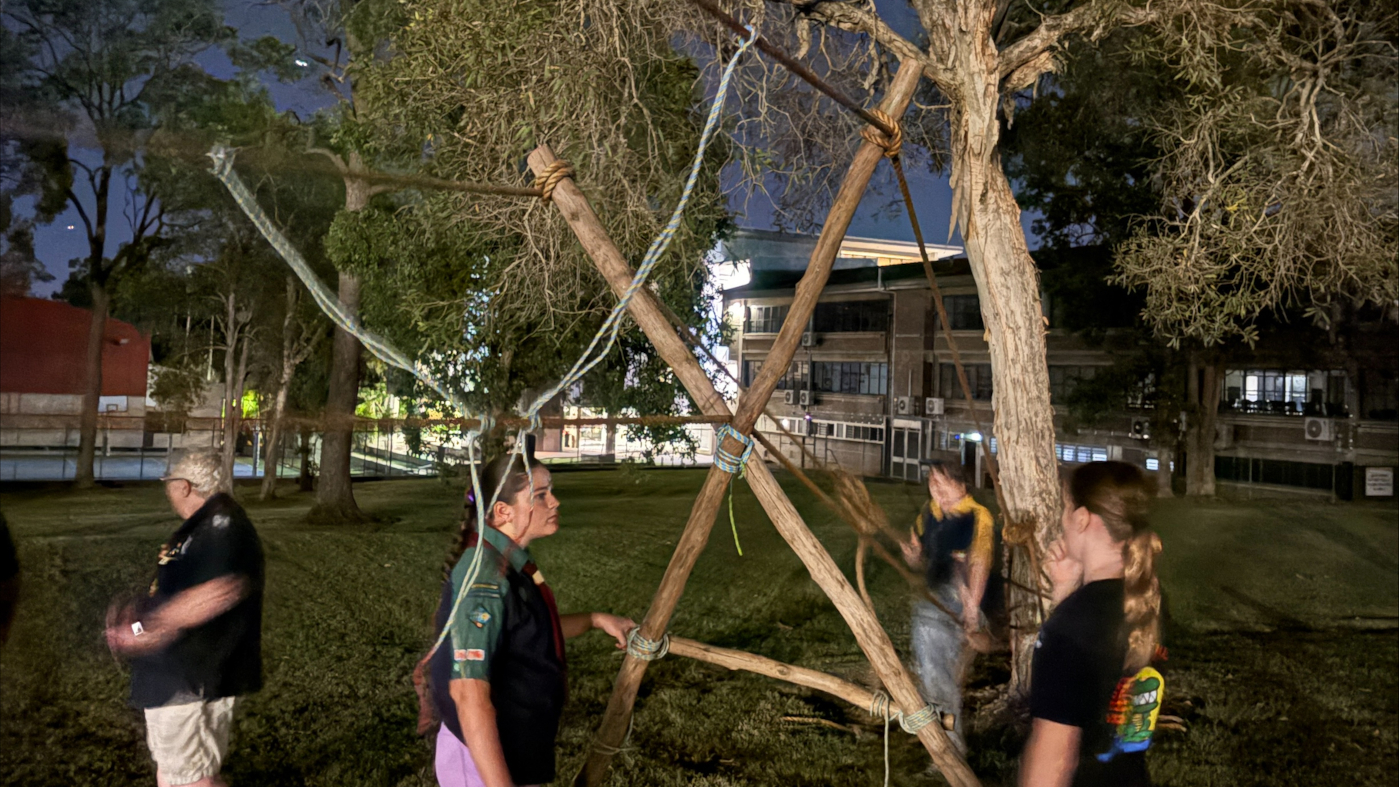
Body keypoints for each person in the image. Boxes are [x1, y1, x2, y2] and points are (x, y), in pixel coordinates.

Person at [427, 454, 635, 787]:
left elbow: (527, 633)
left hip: (517, 751)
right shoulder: (484, 579)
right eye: (540, 496)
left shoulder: (509, 560)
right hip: (484, 763)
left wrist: (595, 619)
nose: (555, 501)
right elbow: (469, 696)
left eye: (551, 491)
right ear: (503, 512)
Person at [105, 449, 265, 787]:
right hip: (174, 677)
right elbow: (167, 599)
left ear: (186, 486)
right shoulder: (198, 529)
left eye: (170, 483)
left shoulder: (222, 526)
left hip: (190, 677)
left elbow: (220, 590)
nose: (167, 491)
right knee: (183, 774)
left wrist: (147, 628)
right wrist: (133, 626)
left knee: (192, 779)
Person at [1019, 461, 1164, 787]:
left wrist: (1064, 609)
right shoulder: (1149, 603)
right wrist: (1066, 593)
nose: (1063, 521)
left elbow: (1054, 759)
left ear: (1082, 519)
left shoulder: (1071, 626)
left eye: (1066, 509)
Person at [900, 459, 994, 753]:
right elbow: (918, 552)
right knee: (931, 672)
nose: (935, 487)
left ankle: (949, 751)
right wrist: (913, 555)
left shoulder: (978, 517)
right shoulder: (930, 512)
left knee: (937, 675)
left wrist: (971, 611)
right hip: (933, 602)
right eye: (931, 480)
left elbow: (980, 562)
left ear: (961, 485)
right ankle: (939, 740)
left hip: (955, 604)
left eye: (942, 482)